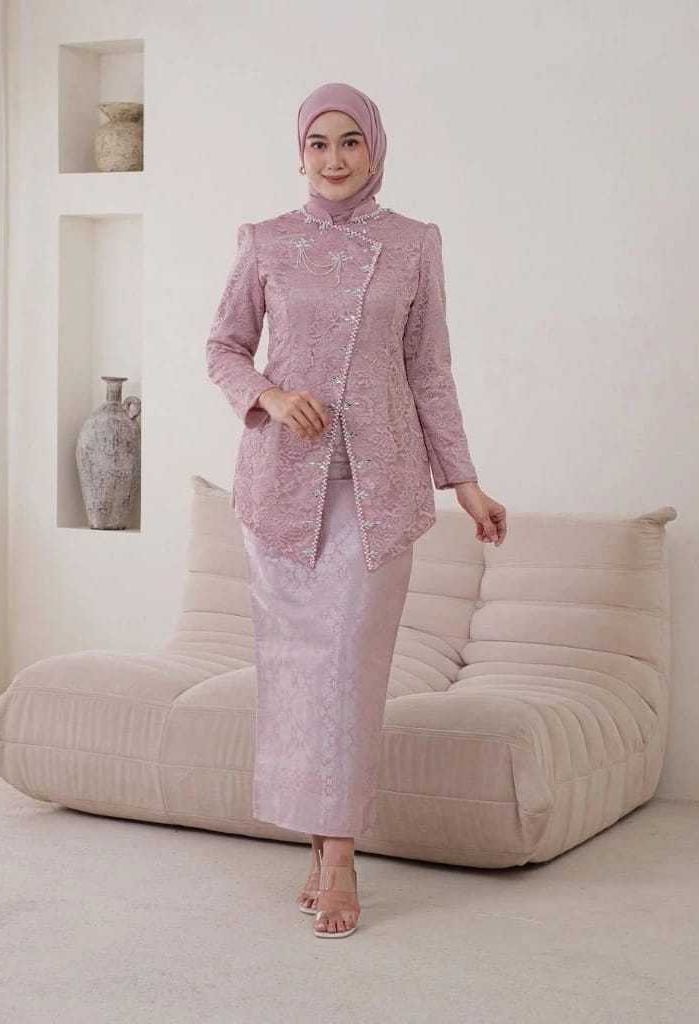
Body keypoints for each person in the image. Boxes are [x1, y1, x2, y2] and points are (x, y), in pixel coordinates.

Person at [206, 81, 507, 938]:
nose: (333, 159)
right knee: (297, 675)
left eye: (350, 142)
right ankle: (319, 843)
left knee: (349, 668)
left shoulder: (414, 244)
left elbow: (429, 369)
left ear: (375, 149)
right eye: (318, 143)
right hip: (281, 495)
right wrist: (270, 395)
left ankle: (339, 856)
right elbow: (223, 346)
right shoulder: (264, 241)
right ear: (299, 153)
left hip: (378, 494)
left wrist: (465, 481)